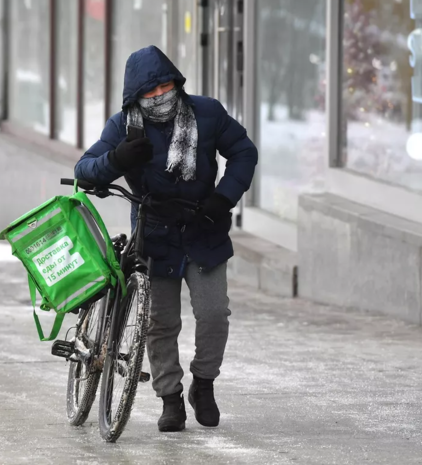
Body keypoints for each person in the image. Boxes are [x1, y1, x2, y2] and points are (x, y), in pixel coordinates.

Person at [74, 46, 258, 432]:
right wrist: (117, 161)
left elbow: (243, 151)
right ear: (135, 96)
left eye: (165, 86)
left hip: (203, 227)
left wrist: (222, 199)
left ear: (177, 82)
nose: (159, 96)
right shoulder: (124, 127)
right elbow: (84, 171)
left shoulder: (207, 113)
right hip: (155, 233)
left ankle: (203, 385)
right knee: (160, 324)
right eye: (150, 91)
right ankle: (170, 398)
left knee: (213, 315)